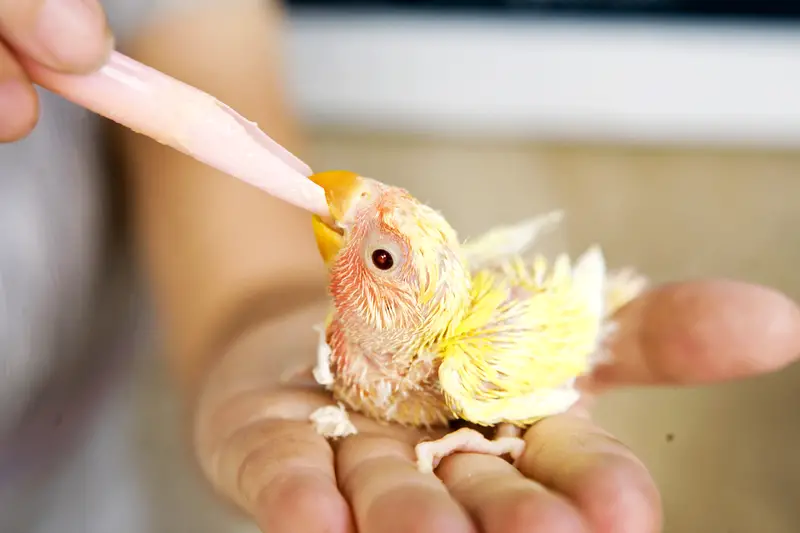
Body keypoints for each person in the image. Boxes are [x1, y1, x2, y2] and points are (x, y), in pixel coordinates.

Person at [1, 1, 799, 532]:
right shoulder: (359, 340)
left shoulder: (464, 366)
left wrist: (258, 315)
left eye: (377, 254)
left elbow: (201, 45)